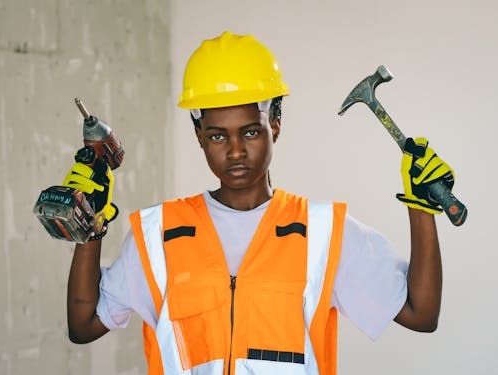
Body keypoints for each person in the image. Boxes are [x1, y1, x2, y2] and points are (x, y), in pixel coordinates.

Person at [64, 31, 454, 375]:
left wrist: (421, 209)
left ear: (276, 125)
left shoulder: (324, 234)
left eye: (250, 131)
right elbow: (83, 325)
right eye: (218, 136)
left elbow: (421, 313)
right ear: (199, 134)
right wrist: (88, 224)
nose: (235, 151)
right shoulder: (156, 234)